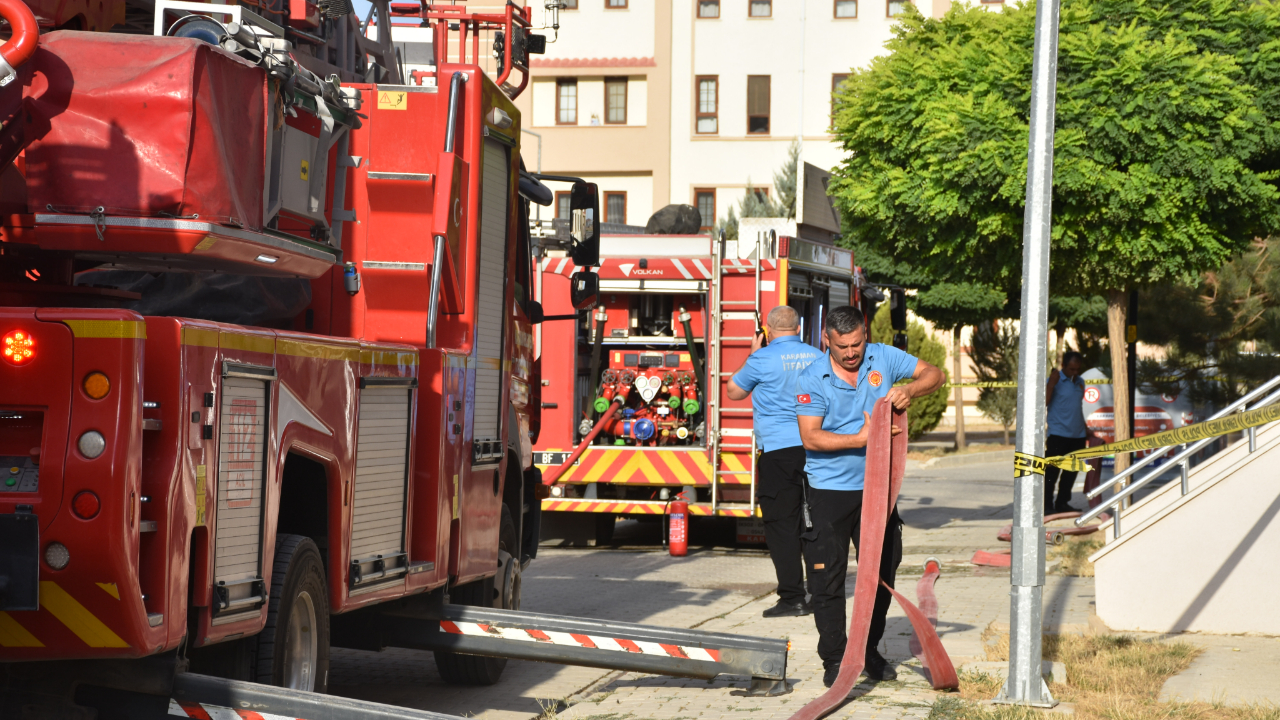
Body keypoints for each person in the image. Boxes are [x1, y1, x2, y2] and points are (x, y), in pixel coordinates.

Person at [795, 306, 944, 686]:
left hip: (879, 487)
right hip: (828, 491)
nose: (851, 352)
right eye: (842, 346)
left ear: (866, 334)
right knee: (826, 578)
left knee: (882, 572)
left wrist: (909, 389)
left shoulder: (884, 357)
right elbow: (811, 437)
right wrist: (861, 439)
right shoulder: (813, 377)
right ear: (826, 339)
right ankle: (835, 658)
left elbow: (935, 374)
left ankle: (868, 651)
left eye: (857, 343)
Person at [727, 306, 825, 618]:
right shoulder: (819, 356)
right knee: (816, 523)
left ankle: (793, 598)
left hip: (778, 453)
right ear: (799, 329)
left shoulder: (761, 358)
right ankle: (821, 593)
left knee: (782, 526)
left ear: (768, 331)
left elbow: (733, 392)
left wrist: (752, 353)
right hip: (817, 448)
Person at [1044, 351, 1088, 514]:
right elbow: (1043, 403)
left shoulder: (1081, 382)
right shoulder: (1054, 381)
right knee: (1052, 473)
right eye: (1071, 369)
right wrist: (1051, 384)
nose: (1075, 373)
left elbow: (1077, 407)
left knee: (1070, 473)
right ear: (1063, 366)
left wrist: (1086, 428)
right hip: (1058, 434)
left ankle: (1062, 503)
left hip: (1078, 436)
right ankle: (1047, 505)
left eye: (1078, 369)